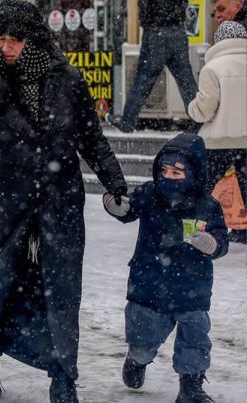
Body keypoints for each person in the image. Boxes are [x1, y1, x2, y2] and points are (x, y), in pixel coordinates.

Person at [0, 1, 127, 401]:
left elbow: (89, 135)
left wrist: (114, 180)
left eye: (15, 40)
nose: (6, 47)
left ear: (33, 39)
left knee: (59, 292)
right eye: (0, 38)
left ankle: (63, 376)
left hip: (55, 202)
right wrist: (0, 85)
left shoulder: (65, 79)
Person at [103, 132, 228, 403]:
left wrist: (211, 244)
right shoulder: (149, 193)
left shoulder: (207, 206)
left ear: (195, 173)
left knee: (195, 335)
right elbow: (129, 210)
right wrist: (118, 207)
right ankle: (137, 358)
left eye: (178, 171)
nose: (169, 176)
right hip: (150, 282)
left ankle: (191, 387)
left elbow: (222, 243)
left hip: (192, 287)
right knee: (143, 336)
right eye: (165, 169)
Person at [187, 21, 247, 244]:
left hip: (217, 143)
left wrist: (191, 107)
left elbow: (203, 111)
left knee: (202, 190)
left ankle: (192, 233)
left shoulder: (213, 68)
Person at [107, 0, 198, 133]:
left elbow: (144, 6)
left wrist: (148, 25)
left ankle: (128, 122)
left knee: (142, 80)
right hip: (178, 31)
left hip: (156, 33)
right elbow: (184, 3)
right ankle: (199, 121)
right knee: (186, 81)